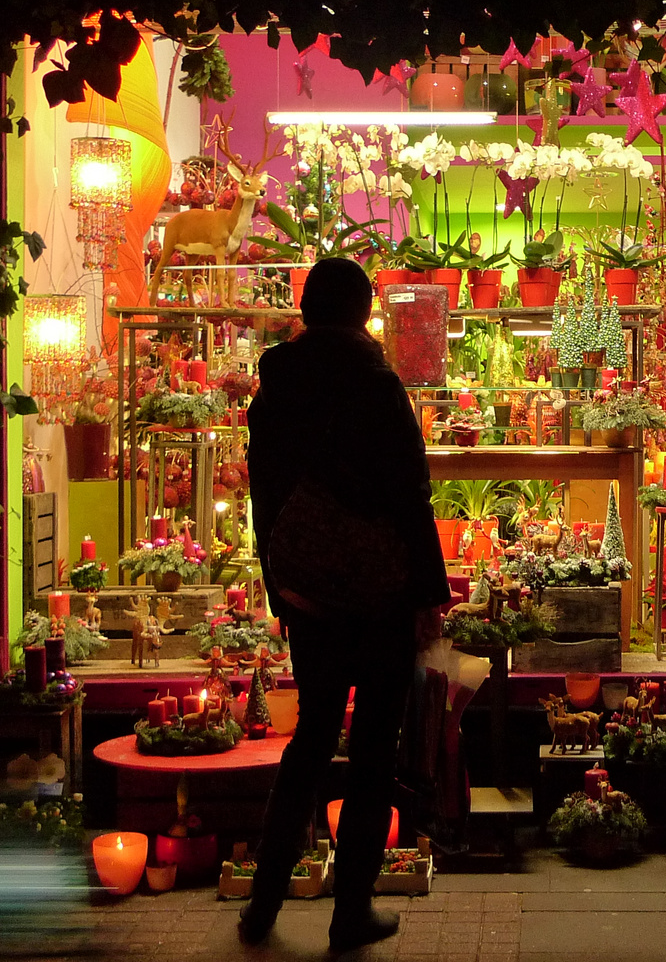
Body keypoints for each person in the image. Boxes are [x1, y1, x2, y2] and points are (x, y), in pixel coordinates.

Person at [239, 257, 448, 951]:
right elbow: (409, 496)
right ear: (365, 313)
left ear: (305, 306)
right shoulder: (377, 384)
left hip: (308, 592)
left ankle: (263, 905)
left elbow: (263, 498)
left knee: (310, 738)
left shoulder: (274, 391)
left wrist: (281, 585)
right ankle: (349, 911)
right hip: (380, 591)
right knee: (372, 752)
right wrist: (429, 592)